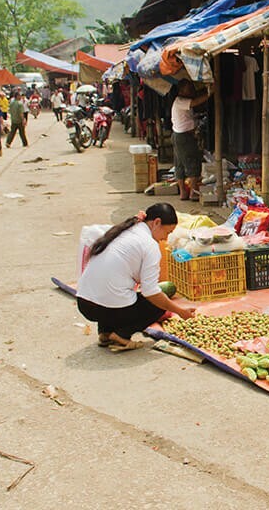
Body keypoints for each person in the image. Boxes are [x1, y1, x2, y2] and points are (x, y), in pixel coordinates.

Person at [76, 204, 197, 351]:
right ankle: (121, 335)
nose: (165, 238)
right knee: (158, 304)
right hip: (107, 307)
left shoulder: (123, 231)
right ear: (156, 222)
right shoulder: (149, 245)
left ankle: (105, 333)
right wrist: (180, 311)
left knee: (116, 290)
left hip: (84, 303)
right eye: (167, 232)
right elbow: (151, 292)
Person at [171, 79, 210, 201]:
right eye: (189, 88)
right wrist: (210, 93)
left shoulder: (181, 101)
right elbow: (195, 102)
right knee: (192, 163)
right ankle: (193, 192)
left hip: (179, 135)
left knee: (180, 164)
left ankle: (183, 193)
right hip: (184, 137)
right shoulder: (180, 101)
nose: (192, 90)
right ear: (181, 90)